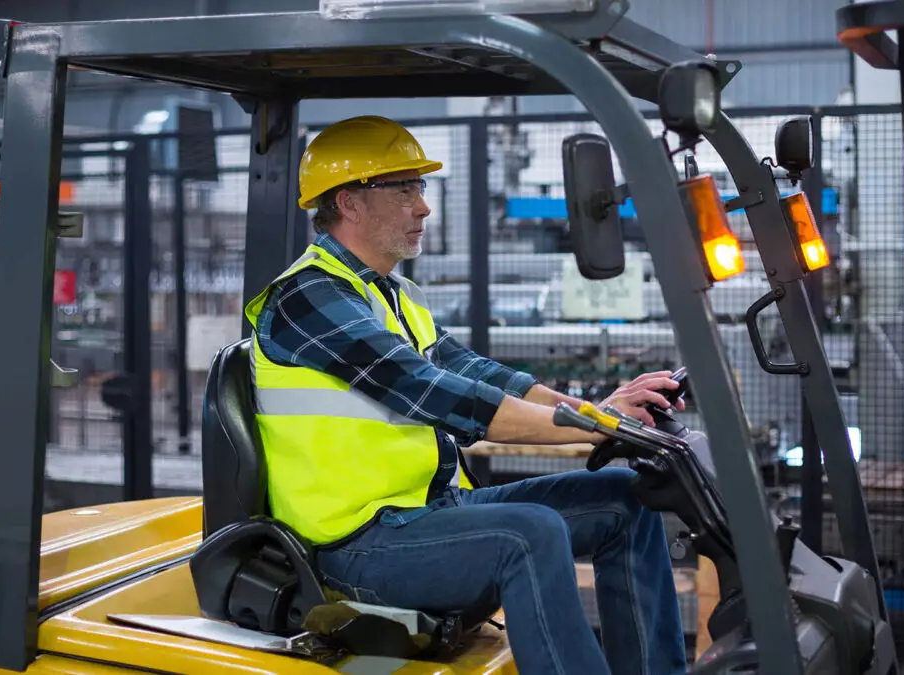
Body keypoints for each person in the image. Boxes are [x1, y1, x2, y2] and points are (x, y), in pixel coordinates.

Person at [243, 115, 688, 675]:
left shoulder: (392, 294)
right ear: (349, 202)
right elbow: (434, 391)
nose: (423, 207)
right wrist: (595, 426)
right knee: (529, 534)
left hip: (427, 514)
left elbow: (481, 374)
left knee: (626, 498)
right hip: (356, 544)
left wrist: (601, 412)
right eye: (403, 189)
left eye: (419, 188)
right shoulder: (307, 297)